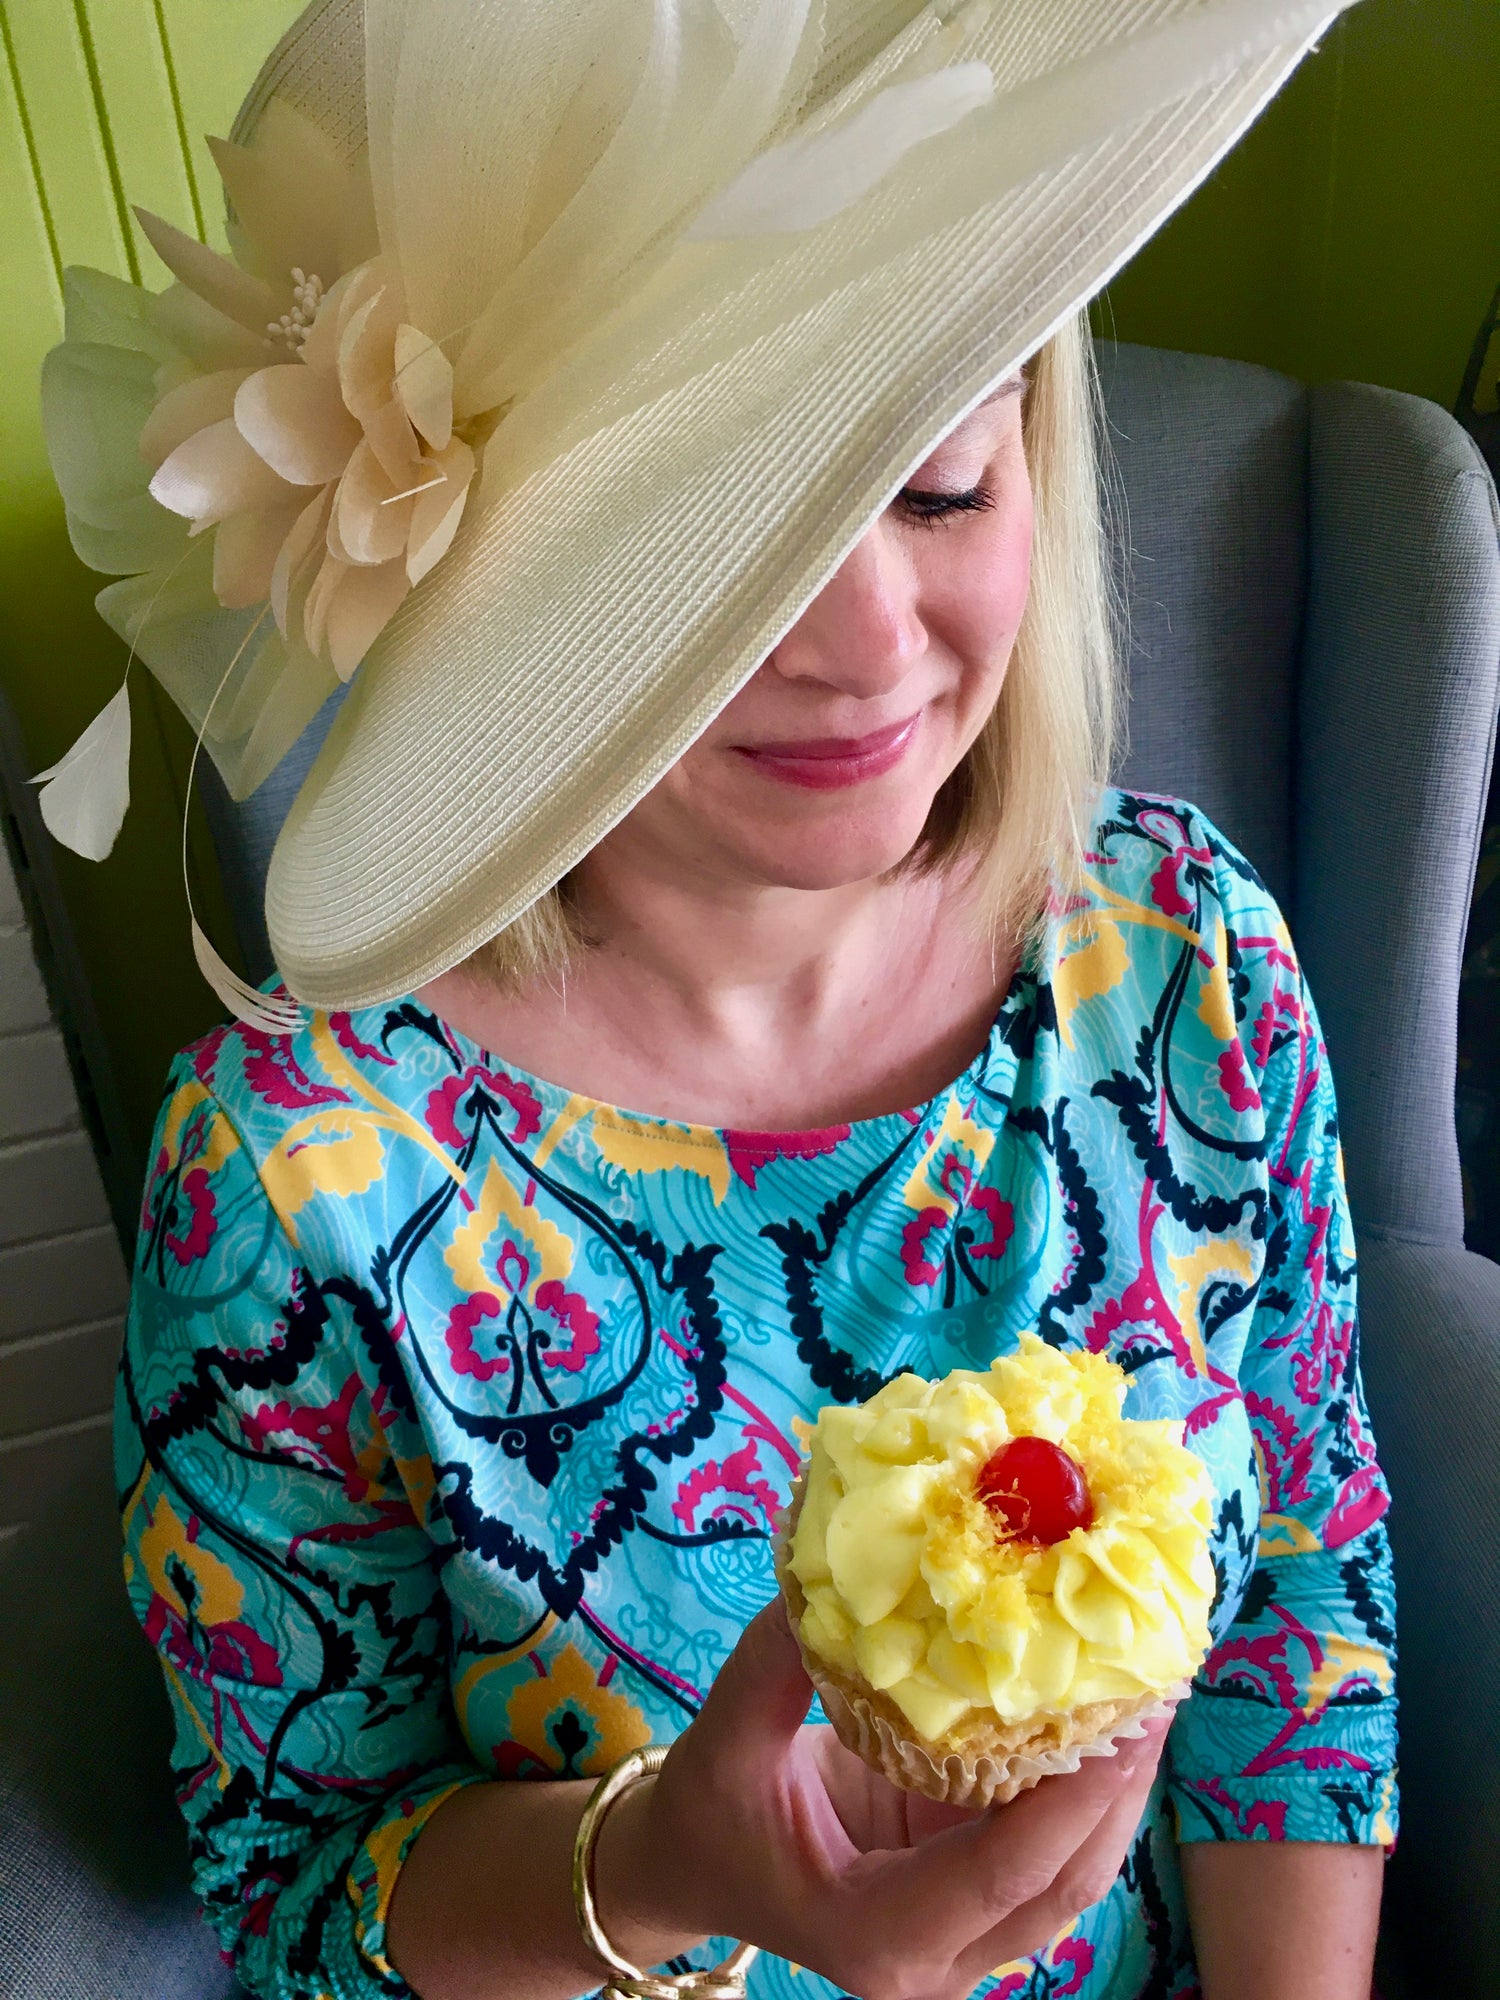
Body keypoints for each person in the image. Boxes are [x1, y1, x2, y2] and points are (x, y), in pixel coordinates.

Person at [50, 2, 1396, 1997]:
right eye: (715, 556)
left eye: (941, 488)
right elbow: (300, 1883)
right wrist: (665, 1859)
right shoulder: (291, 1183)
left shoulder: (1189, 958)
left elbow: (1296, 1600)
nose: (864, 644)